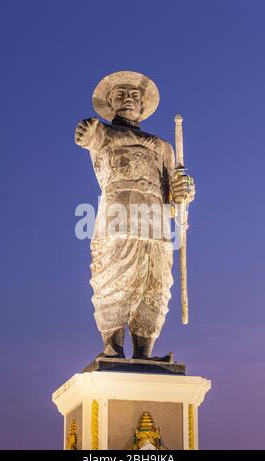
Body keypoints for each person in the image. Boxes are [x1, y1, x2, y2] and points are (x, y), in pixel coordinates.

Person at [75, 71, 195, 360]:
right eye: (121, 95)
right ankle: (112, 348)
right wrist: (87, 132)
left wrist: (185, 190)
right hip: (118, 219)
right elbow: (89, 137)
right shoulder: (104, 135)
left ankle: (144, 351)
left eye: (134, 96)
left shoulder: (163, 147)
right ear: (110, 103)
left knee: (154, 283)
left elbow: (174, 196)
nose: (128, 99)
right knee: (112, 279)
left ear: (142, 106)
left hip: (155, 225)